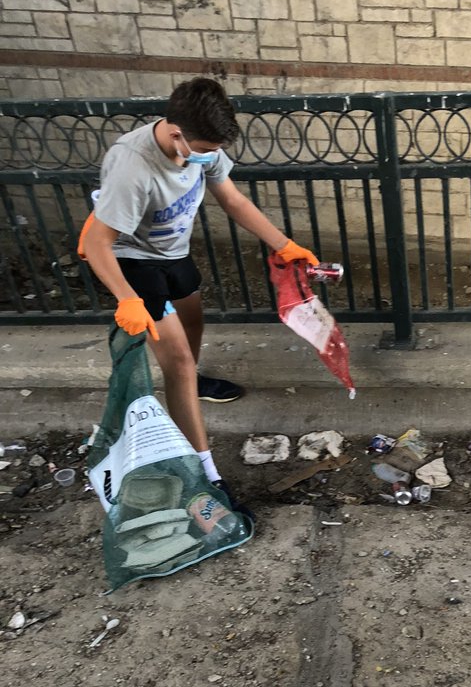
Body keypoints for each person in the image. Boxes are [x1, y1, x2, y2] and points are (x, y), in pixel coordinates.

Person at [80, 76, 318, 498]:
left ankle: (191, 383)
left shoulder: (203, 150)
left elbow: (233, 201)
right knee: (178, 362)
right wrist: (128, 299)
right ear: (176, 134)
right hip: (133, 262)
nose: (211, 158)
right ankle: (202, 472)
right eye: (206, 150)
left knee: (193, 322)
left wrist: (285, 245)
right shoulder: (133, 166)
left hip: (173, 253)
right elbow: (96, 242)